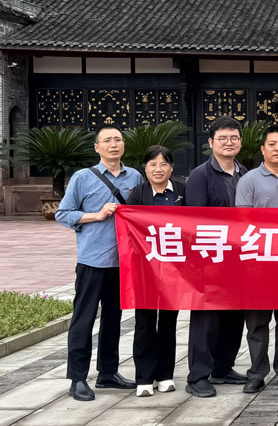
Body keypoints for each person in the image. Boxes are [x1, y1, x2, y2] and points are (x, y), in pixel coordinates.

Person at [56, 125, 143, 401]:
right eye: (107, 140)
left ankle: (108, 372)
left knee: (113, 319)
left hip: (123, 262)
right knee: (84, 319)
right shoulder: (83, 177)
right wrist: (97, 215)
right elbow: (62, 213)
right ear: (97, 147)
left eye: (118, 139)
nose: (114, 144)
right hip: (92, 261)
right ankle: (77, 378)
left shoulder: (135, 176)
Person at [234, 125, 278, 394]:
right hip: (258, 262)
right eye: (272, 144)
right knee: (257, 321)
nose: (277, 149)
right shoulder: (249, 180)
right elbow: (242, 222)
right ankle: (257, 372)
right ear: (263, 149)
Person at [185, 116, 249, 398]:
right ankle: (198, 375)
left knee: (234, 315)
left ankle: (223, 367)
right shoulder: (201, 175)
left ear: (240, 142)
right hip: (210, 257)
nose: (228, 143)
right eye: (222, 138)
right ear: (211, 143)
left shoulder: (245, 173)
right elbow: (196, 220)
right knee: (206, 317)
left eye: (233, 138)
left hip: (239, 257)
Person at [125, 145, 186, 397]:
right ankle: (144, 377)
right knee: (145, 322)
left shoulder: (182, 192)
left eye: (163, 164)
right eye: (153, 165)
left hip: (175, 269)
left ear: (171, 168)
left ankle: (165, 375)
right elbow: (129, 229)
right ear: (145, 168)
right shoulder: (137, 194)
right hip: (145, 268)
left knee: (169, 322)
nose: (158, 169)